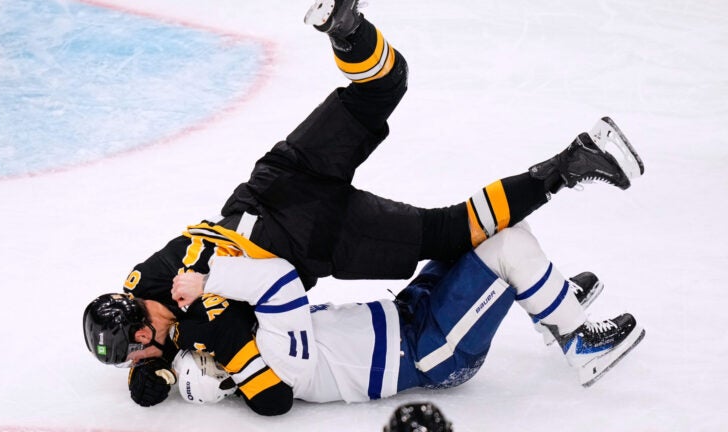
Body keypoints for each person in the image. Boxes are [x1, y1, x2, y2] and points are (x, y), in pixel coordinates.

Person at [83, 0, 645, 413]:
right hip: (274, 187)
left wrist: (182, 345)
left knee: (456, 231)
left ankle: (565, 198)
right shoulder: (147, 288)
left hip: (305, 237)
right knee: (385, 94)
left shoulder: (205, 324)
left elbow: (240, 348)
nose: (143, 353)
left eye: (137, 348)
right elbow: (170, 329)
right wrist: (153, 366)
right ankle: (347, 29)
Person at [85, 220, 644, 416]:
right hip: (430, 347)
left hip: (404, 314)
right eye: (207, 356)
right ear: (226, 366)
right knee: (508, 241)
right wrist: (211, 282)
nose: (201, 343)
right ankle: (577, 341)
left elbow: (172, 353)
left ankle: (547, 299)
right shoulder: (277, 358)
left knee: (468, 236)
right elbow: (277, 278)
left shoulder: (252, 358)